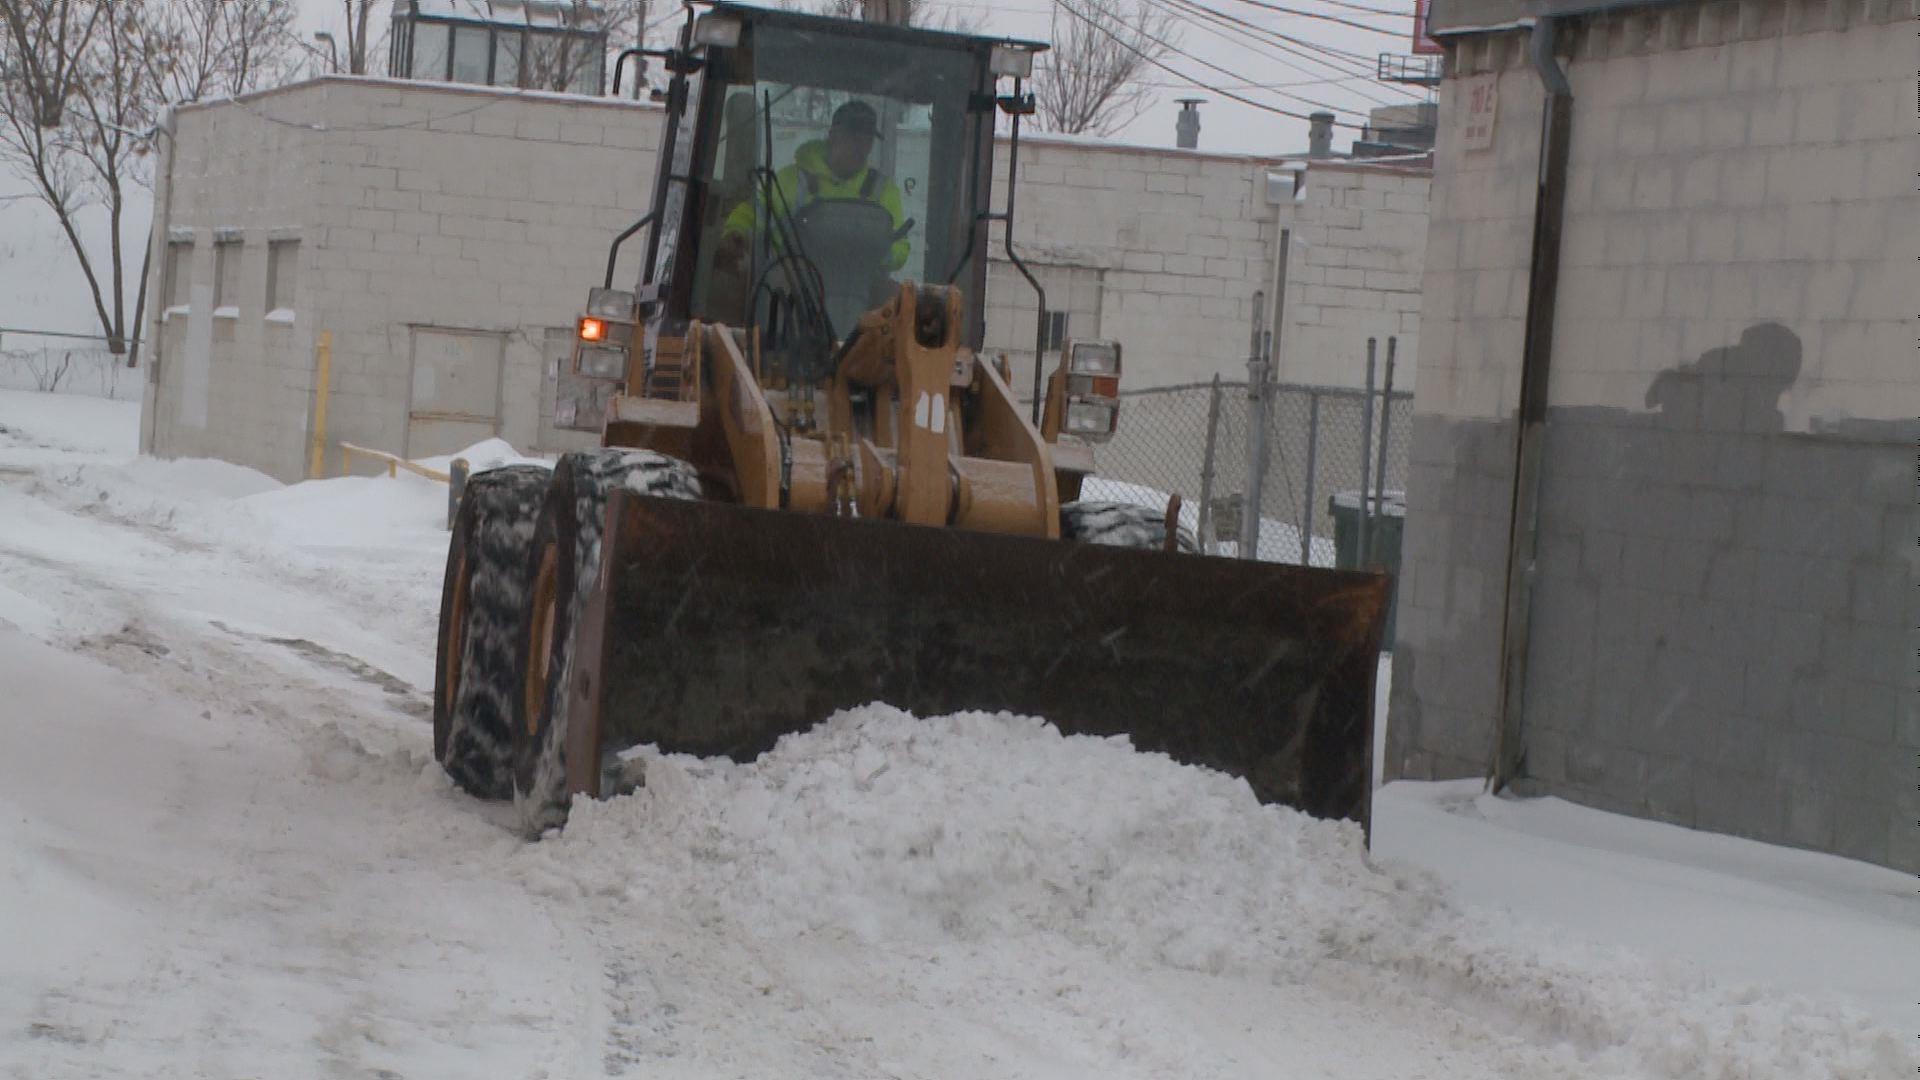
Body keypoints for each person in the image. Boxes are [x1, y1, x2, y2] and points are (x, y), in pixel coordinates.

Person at [716, 100, 910, 274]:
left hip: (859, 291)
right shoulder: (792, 179)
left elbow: (900, 247)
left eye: (867, 141)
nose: (861, 148)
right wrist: (736, 233)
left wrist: (877, 252)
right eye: (854, 138)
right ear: (833, 136)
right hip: (793, 291)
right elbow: (752, 213)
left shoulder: (883, 191)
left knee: (892, 292)